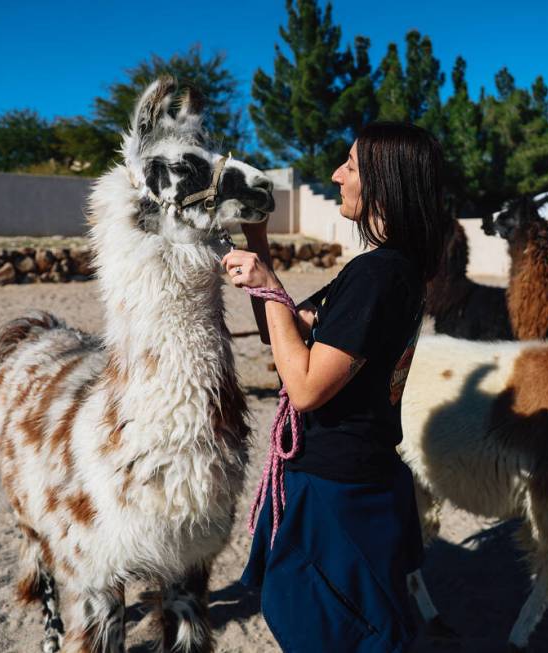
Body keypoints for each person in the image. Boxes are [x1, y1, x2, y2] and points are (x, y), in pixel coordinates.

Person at [223, 122, 448, 652]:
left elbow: (303, 387)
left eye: (349, 166)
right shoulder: (387, 271)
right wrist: (259, 242)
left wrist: (268, 284)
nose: (335, 175)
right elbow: (283, 331)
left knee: (329, 630)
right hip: (351, 474)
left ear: (383, 182)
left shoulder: (378, 276)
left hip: (340, 488)